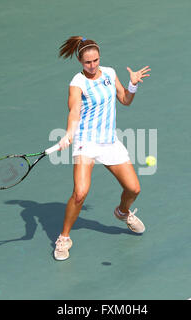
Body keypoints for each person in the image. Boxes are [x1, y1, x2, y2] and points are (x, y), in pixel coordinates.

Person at [54, 36, 151, 261]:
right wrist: (69, 133)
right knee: (80, 193)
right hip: (86, 142)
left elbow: (125, 100)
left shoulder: (109, 73)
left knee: (134, 189)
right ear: (80, 61)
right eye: (88, 62)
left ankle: (122, 212)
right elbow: (74, 110)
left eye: (96, 60)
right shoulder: (77, 83)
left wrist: (133, 83)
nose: (93, 65)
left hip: (109, 142)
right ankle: (64, 238)